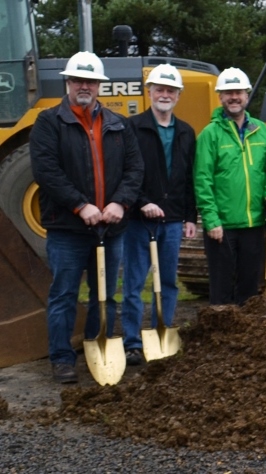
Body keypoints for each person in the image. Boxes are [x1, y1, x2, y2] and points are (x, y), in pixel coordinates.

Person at [29, 52, 143, 383]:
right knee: (64, 293)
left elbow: (135, 169)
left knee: (104, 293)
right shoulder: (48, 122)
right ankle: (62, 357)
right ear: (67, 83)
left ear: (99, 86)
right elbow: (46, 171)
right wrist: (81, 205)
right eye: (78, 80)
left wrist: (120, 203)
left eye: (90, 81)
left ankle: (97, 344)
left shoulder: (118, 124)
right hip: (67, 229)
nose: (84, 86)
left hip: (112, 227)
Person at [121, 64, 197, 366]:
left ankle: (161, 331)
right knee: (135, 283)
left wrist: (191, 216)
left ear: (178, 96)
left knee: (168, 282)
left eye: (170, 90)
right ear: (149, 92)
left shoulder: (186, 132)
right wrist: (141, 202)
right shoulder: (131, 127)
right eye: (159, 89)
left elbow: (190, 177)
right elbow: (124, 173)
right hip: (139, 221)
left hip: (174, 220)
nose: (165, 95)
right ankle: (132, 341)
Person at [194, 67, 266, 305]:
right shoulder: (210, 134)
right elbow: (202, 180)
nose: (234, 97)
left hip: (254, 222)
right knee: (221, 288)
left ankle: (247, 338)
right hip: (222, 226)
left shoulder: (262, 131)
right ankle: (220, 337)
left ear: (247, 95)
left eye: (239, 92)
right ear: (220, 96)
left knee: (249, 288)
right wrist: (211, 220)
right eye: (228, 92)